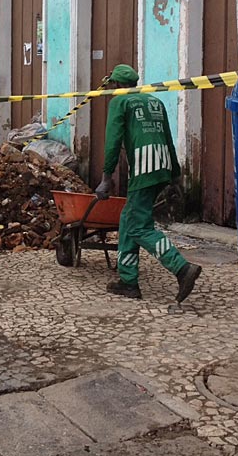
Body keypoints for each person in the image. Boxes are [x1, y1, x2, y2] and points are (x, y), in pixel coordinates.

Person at [95, 64, 202, 303]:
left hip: (144, 169)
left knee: (138, 227)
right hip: (162, 166)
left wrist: (106, 178)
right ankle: (128, 281)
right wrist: (174, 173)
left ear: (117, 85)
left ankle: (181, 268)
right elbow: (167, 137)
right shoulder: (155, 102)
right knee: (128, 219)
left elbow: (112, 141)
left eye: (112, 85)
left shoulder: (120, 102)